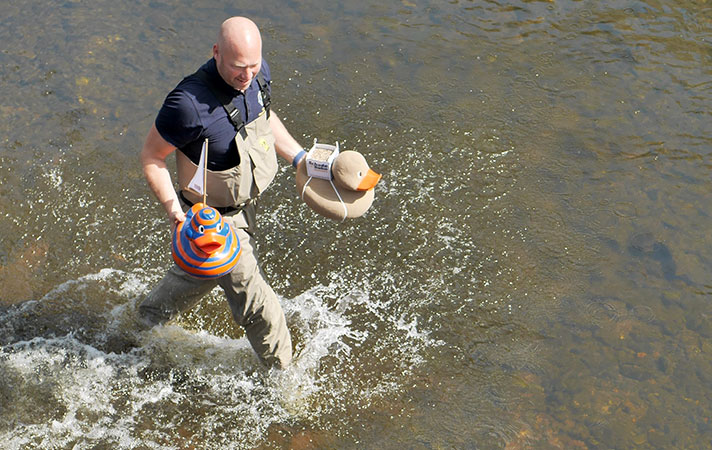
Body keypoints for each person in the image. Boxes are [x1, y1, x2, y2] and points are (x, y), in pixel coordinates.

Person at [138, 17, 309, 369]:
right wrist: (175, 212)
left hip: (245, 206)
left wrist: (300, 158)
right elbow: (151, 157)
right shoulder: (187, 104)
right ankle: (285, 382)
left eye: (252, 65)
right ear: (216, 53)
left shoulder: (258, 75)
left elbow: (264, 119)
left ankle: (141, 325)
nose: (246, 76)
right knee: (260, 306)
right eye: (237, 67)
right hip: (211, 222)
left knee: (196, 276)